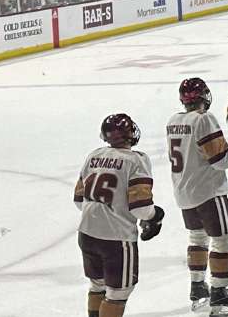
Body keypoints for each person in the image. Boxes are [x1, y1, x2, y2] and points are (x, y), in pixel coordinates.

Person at [165, 78, 228, 315]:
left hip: (183, 191)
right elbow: (220, 160)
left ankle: (198, 288)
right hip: (208, 192)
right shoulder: (204, 119)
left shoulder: (173, 121)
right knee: (224, 239)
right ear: (204, 96)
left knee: (197, 238)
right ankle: (219, 294)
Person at [75, 114, 165, 317]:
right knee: (117, 293)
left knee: (97, 285)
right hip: (116, 238)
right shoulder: (136, 160)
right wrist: (155, 216)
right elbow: (140, 208)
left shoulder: (93, 155)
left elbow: (79, 200)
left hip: (86, 232)